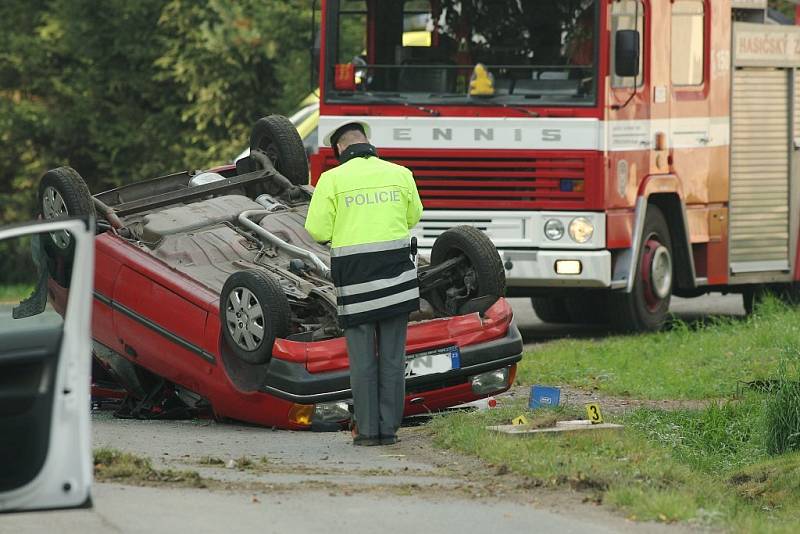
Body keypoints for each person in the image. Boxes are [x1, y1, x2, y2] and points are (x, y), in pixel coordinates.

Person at [305, 122, 423, 446]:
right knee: (393, 358)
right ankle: (390, 431)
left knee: (363, 360)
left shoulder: (331, 180)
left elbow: (316, 230)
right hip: (398, 282)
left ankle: (368, 433)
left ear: (340, 150)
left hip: (356, 286)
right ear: (368, 143)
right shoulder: (400, 173)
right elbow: (414, 216)